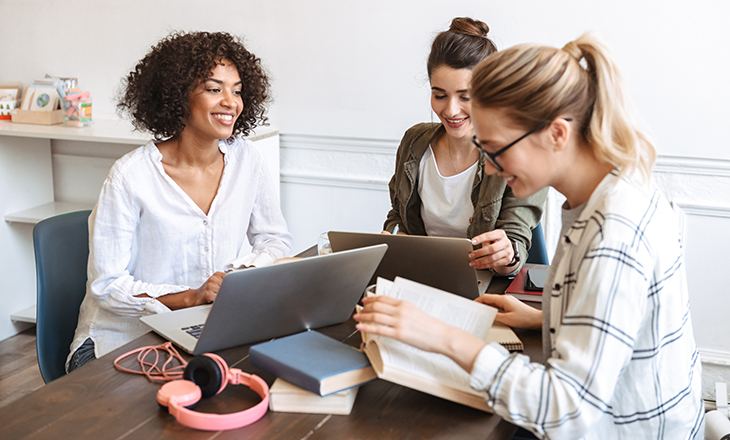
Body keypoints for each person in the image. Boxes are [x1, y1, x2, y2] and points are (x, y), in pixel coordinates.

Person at [356, 31, 703, 439]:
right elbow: (619, 323)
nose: (488, 169)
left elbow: (565, 412)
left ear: (557, 134)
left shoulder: (613, 233)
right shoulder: (610, 190)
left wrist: (445, 338)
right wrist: (544, 319)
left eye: (496, 149)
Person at [67, 31, 293, 372]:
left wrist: (241, 277)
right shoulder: (130, 176)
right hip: (121, 341)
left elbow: (275, 240)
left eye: (237, 90)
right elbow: (107, 286)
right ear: (177, 96)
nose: (231, 102)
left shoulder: (249, 161)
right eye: (214, 89)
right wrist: (193, 296)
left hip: (204, 333)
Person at [383, 17, 547, 275]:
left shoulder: (522, 153)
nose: (450, 110)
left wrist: (507, 254)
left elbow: (515, 247)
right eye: (439, 95)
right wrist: (394, 235)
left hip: (487, 286)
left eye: (465, 97)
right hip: (422, 278)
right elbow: (398, 215)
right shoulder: (414, 143)